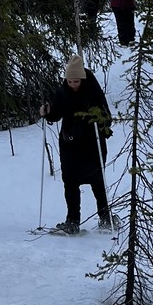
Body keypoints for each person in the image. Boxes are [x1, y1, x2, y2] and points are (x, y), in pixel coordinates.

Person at [40, 53, 113, 234]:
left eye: (76, 81)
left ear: (82, 78)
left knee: (96, 179)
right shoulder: (62, 91)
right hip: (69, 142)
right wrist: (47, 112)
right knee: (70, 181)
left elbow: (106, 115)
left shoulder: (93, 90)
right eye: (70, 81)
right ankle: (72, 220)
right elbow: (56, 113)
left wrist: (102, 122)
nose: (73, 85)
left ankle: (105, 217)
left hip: (91, 142)